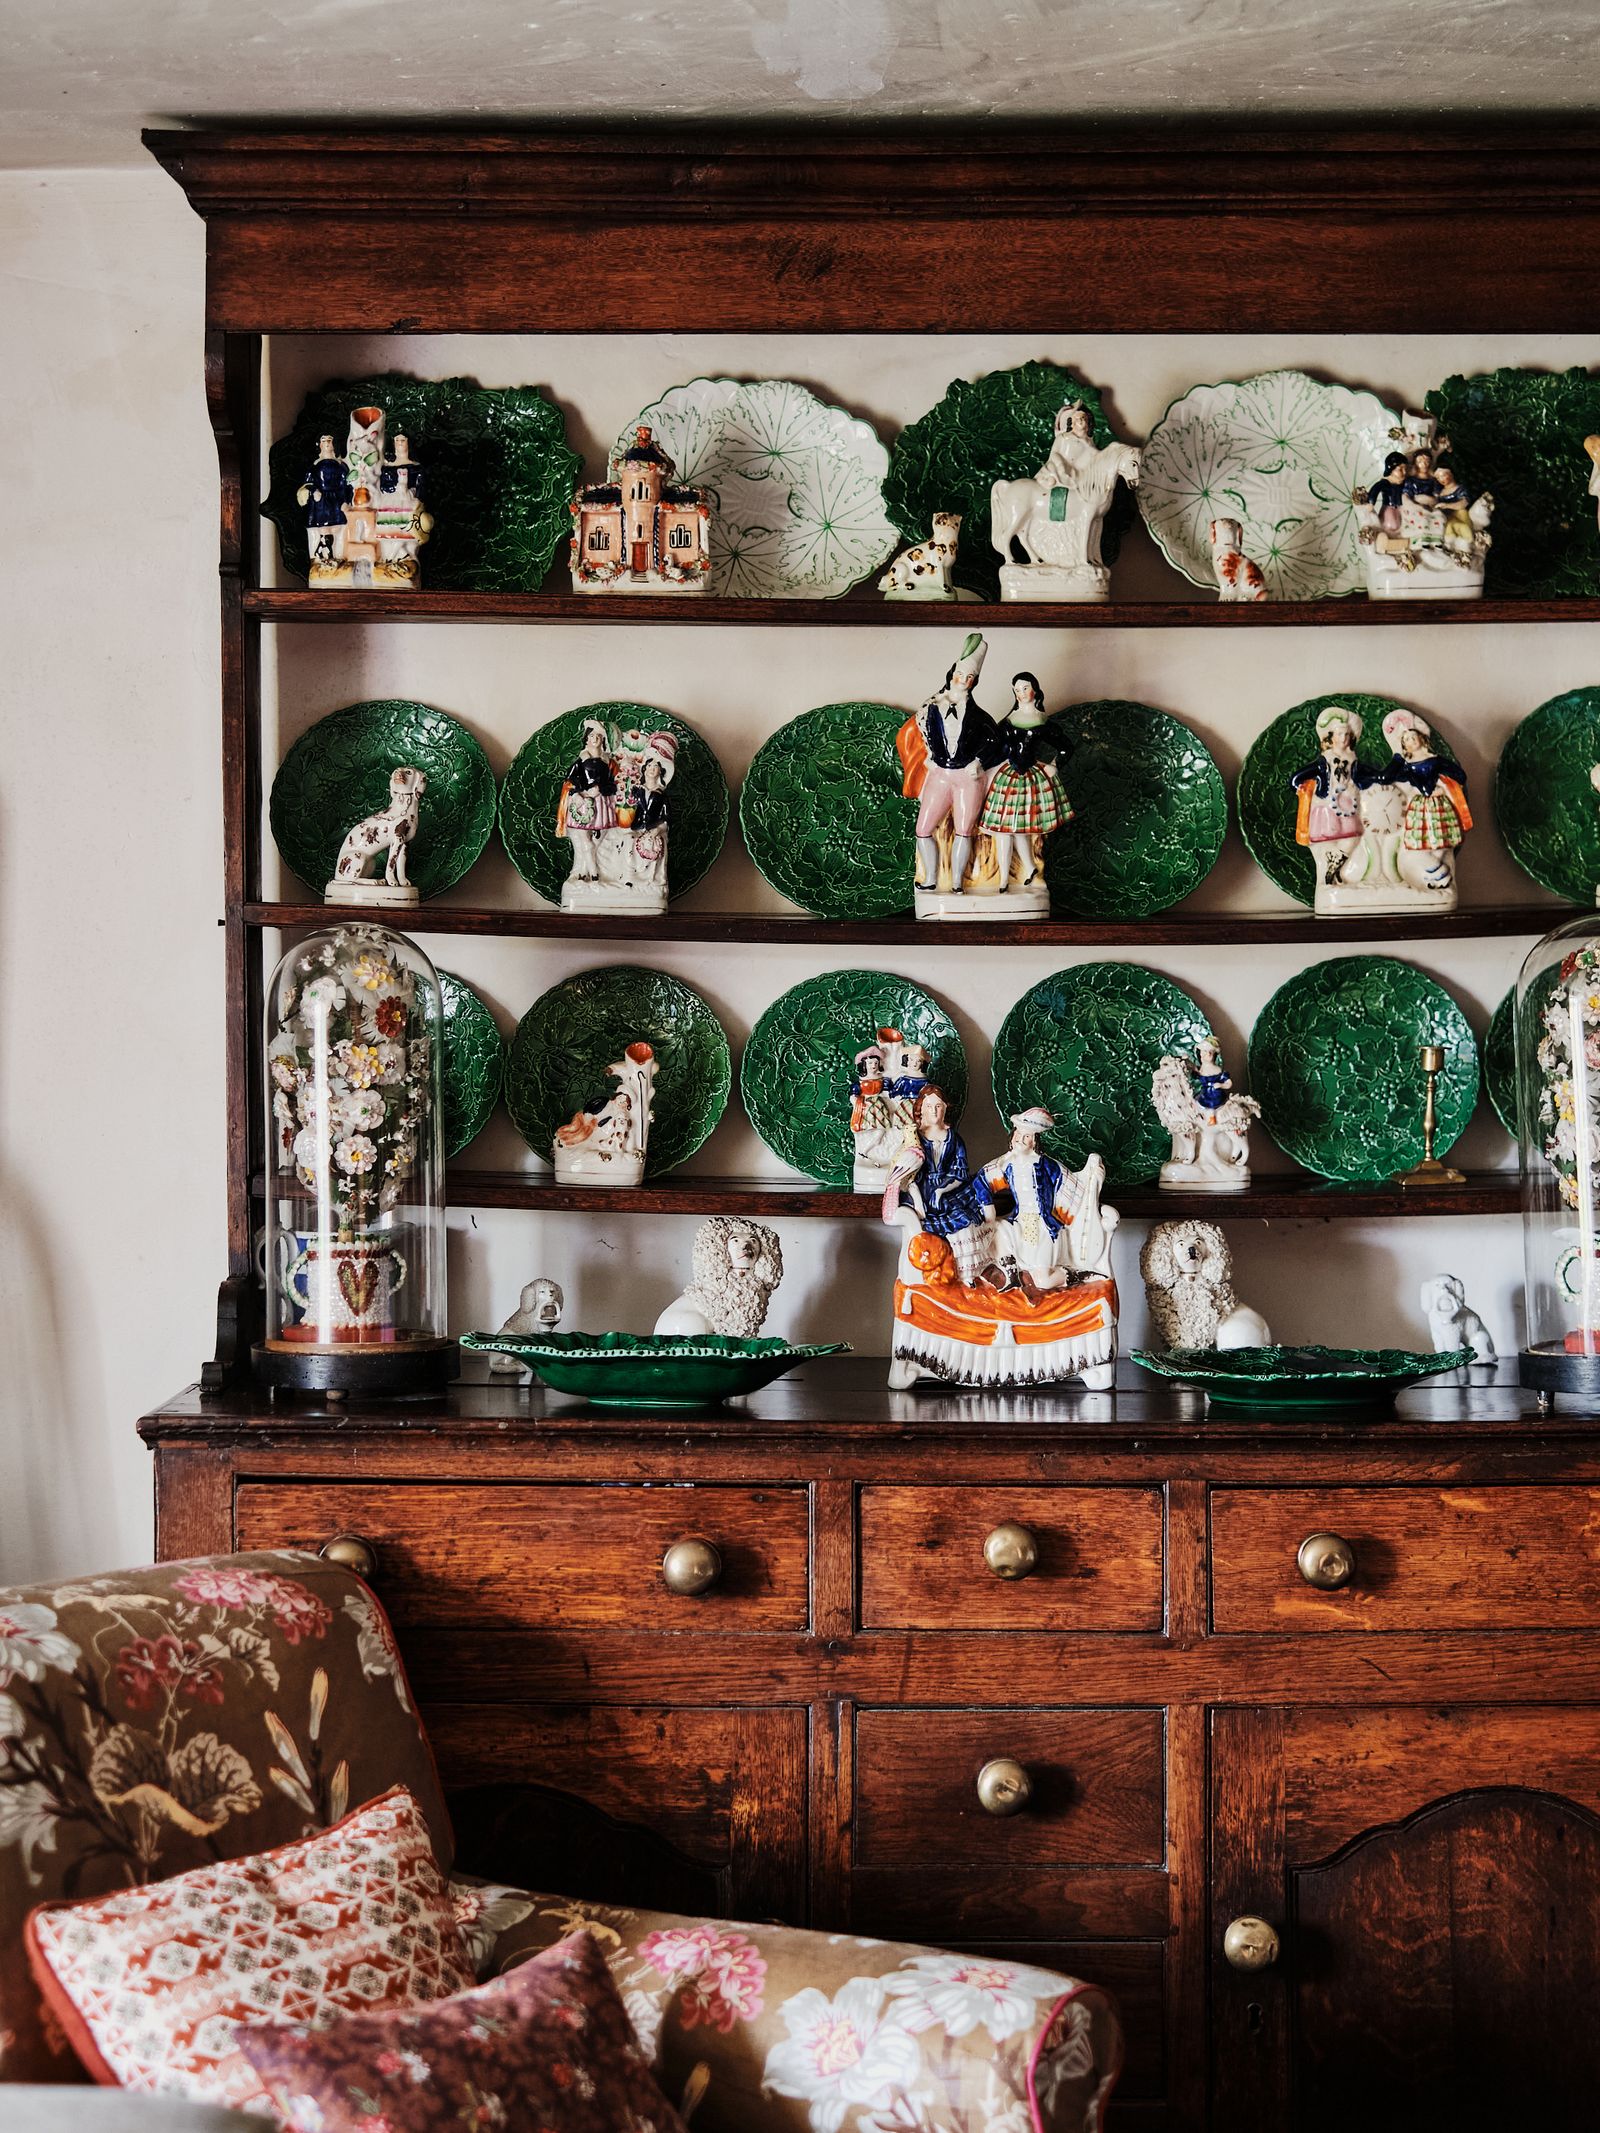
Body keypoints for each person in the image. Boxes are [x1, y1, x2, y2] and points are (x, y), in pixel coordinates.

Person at [899, 633, 1003, 897]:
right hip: (941, 774)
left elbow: (995, 741)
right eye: (960, 674)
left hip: (967, 778)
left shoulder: (978, 715)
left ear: (974, 682)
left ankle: (957, 881)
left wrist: (979, 761)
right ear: (951, 674)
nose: (963, 680)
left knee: (964, 830)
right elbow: (918, 732)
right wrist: (928, 757)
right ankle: (932, 878)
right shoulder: (932, 707)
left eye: (969, 677)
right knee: (923, 829)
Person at [978, 672, 1072, 892]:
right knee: (1004, 829)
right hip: (1007, 775)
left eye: (1025, 688)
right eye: (1017, 690)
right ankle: (1004, 878)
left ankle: (1028, 867)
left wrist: (1055, 764)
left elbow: (1066, 746)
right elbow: (994, 745)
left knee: (1019, 829)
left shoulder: (1042, 720)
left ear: (1035, 690)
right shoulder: (1009, 720)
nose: (1021, 694)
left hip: (1030, 776)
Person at [981, 1107, 1075, 1289]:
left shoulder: (1047, 1165)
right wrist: (988, 1207)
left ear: (1034, 1141)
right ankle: (1011, 1274)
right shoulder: (1006, 1164)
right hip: (1019, 1223)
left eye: (1027, 1136)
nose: (1020, 1140)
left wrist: (1093, 1175)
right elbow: (981, 1182)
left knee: (1043, 1281)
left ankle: (1075, 1276)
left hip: (1043, 1226)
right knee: (996, 1230)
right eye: (1018, 1135)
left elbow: (1071, 1185)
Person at [1379, 708, 1472, 889]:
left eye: (1413, 737)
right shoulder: (1406, 765)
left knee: (1442, 841)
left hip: (1438, 804)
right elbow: (1386, 777)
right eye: (1405, 740)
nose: (1410, 741)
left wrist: (1444, 787)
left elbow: (1460, 775)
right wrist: (1397, 757)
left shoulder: (1435, 760)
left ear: (1422, 739)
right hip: (1419, 807)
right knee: (1422, 842)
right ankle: (1434, 875)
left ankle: (1438, 873)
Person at [1292, 706, 1375, 888]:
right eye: (1339, 735)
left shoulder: (1353, 760)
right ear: (1331, 737)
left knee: (1352, 837)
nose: (1343, 739)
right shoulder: (1325, 760)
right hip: (1326, 805)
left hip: (1349, 805)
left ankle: (1333, 866)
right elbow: (1298, 777)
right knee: (1328, 839)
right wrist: (1302, 790)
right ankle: (1328, 875)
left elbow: (1370, 776)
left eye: (1346, 735)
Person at [557, 719, 618, 880]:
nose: (595, 739)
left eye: (598, 736)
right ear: (586, 739)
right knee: (586, 840)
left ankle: (585, 869)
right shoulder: (581, 761)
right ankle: (594, 873)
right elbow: (569, 780)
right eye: (591, 736)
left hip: (602, 803)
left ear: (603, 740)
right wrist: (580, 792)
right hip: (584, 802)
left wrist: (601, 789)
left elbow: (613, 784)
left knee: (597, 840)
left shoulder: (608, 762)